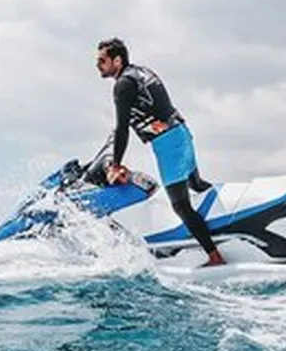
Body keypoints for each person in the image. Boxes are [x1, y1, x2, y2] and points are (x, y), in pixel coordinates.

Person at [95, 37, 226, 267]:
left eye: (102, 60)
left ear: (117, 60)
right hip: (181, 133)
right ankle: (229, 220)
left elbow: (122, 127)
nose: (98, 65)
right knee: (196, 184)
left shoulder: (123, 84)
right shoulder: (141, 72)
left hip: (168, 145)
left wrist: (116, 165)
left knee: (180, 205)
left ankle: (215, 256)